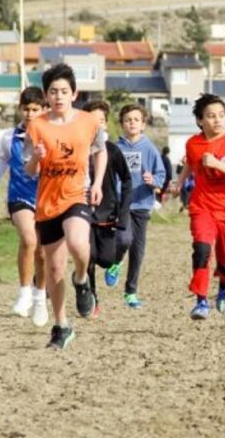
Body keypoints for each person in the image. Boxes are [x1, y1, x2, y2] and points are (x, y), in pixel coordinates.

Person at [25, 64, 107, 350]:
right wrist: (36, 158)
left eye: (63, 91)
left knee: (77, 242)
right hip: (47, 202)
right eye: (52, 92)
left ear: (74, 93)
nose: (58, 96)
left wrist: (96, 184)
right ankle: (61, 325)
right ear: (46, 96)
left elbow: (101, 151)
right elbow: (30, 170)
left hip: (76, 195)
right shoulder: (36, 126)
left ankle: (82, 278)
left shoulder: (88, 122)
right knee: (54, 268)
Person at [173, 93, 225, 320]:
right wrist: (179, 182)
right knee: (202, 250)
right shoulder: (193, 144)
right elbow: (190, 161)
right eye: (211, 116)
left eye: (221, 115)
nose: (217, 120)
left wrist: (218, 165)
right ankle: (201, 301)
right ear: (200, 121)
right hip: (202, 206)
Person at [0, 86, 49, 325]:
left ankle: (39, 296)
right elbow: (2, 161)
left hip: (46, 198)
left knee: (42, 252)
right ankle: (23, 293)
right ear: (20, 109)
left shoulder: (52, 135)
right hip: (19, 196)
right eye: (26, 109)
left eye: (35, 109)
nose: (30, 114)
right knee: (29, 240)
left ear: (44, 110)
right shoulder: (9, 137)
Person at [107, 103, 166, 309]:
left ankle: (130, 292)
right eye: (127, 120)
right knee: (124, 240)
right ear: (122, 124)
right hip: (122, 204)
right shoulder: (115, 148)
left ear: (143, 124)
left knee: (138, 250)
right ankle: (115, 263)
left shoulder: (149, 148)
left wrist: (153, 180)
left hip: (142, 202)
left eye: (136, 120)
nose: (132, 123)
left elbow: (161, 174)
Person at [81, 100, 133, 317]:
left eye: (101, 121)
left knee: (105, 259)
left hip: (109, 212)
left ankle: (115, 265)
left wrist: (123, 212)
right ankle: (92, 298)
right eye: (92, 121)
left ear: (106, 125)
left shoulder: (112, 150)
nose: (97, 125)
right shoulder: (77, 148)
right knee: (89, 257)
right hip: (83, 212)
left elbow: (127, 180)